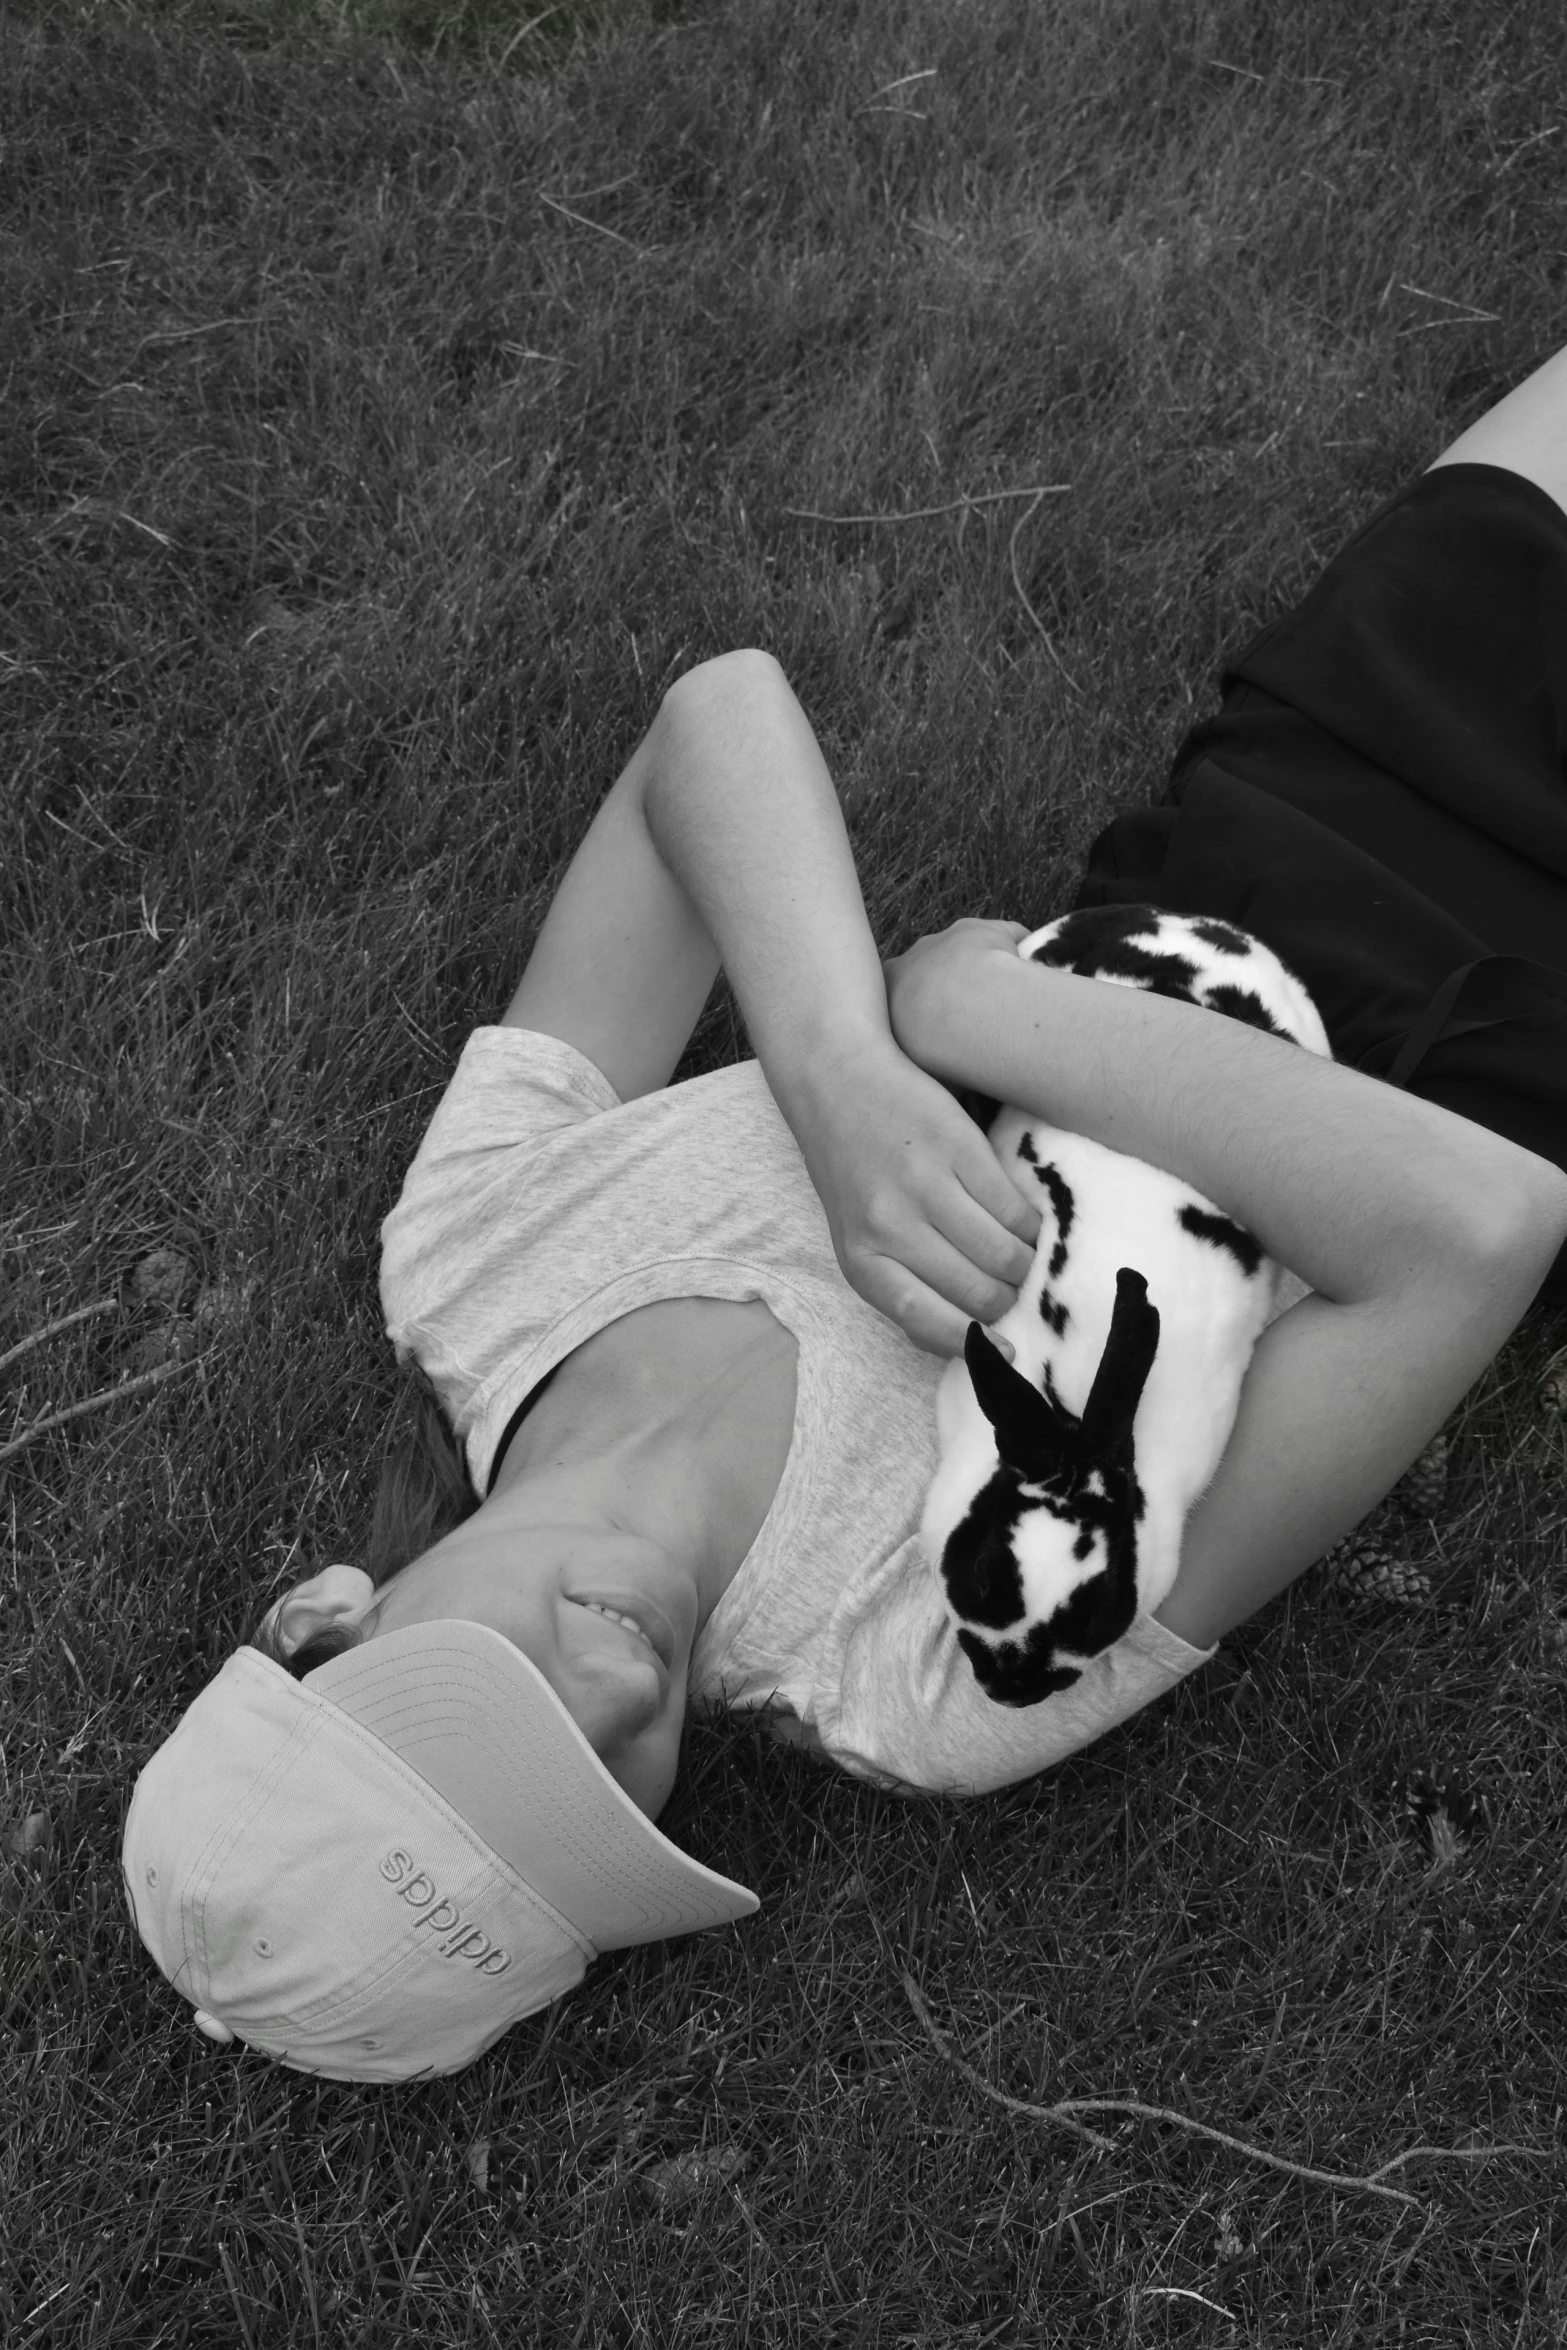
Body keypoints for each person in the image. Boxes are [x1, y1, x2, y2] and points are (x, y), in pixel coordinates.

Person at [122, 350, 1567, 2083]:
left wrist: (832, 1067)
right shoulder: (928, 1672)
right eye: (592, 1806)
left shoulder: (474, 1256)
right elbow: (1474, 1225)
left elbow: (711, 723)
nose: (611, 1707)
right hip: (1493, 1051)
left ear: (326, 1615)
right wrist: (963, 1017)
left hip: (1312, 790)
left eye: (483, 1727)